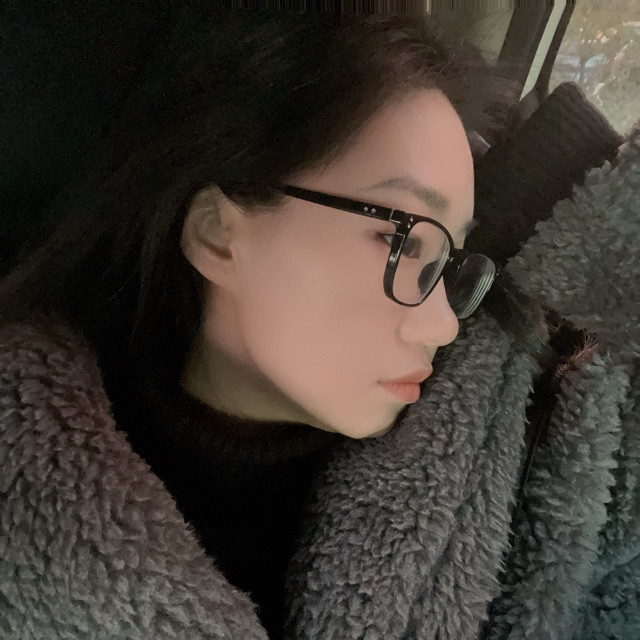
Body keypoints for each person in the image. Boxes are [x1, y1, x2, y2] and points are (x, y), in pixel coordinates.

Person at [2, 9, 636, 640]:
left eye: (448, 262)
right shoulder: (30, 494)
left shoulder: (519, 456)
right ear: (217, 233)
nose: (442, 325)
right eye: (402, 240)